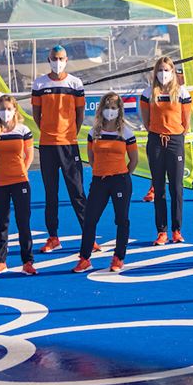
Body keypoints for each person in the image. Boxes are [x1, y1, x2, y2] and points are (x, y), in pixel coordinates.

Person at [31, 45, 95, 253]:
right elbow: (36, 113)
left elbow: (79, 113)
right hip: (47, 146)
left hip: (69, 145)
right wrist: (48, 132)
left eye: (60, 58)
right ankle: (53, 237)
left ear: (66, 59)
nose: (57, 62)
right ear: (48, 60)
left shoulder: (75, 83)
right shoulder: (40, 83)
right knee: (51, 194)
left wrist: (69, 133)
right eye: (53, 58)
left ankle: (89, 237)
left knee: (77, 192)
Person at [72, 92, 138, 273]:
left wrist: (121, 175)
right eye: (107, 107)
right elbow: (91, 157)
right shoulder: (94, 132)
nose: (110, 111)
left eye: (114, 108)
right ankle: (84, 258)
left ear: (119, 110)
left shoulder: (126, 132)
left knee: (121, 219)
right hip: (99, 181)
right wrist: (102, 171)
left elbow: (133, 160)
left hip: (120, 181)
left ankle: (118, 257)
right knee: (90, 219)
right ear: (101, 109)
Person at [140, 56, 193, 246]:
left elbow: (186, 121)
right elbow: (146, 120)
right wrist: (157, 132)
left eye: (167, 70)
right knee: (159, 187)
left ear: (173, 72)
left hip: (175, 142)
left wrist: (176, 135)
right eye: (160, 70)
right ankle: (161, 231)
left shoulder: (182, 93)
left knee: (176, 188)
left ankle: (176, 230)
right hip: (155, 141)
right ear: (155, 73)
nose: (163, 74)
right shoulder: (148, 93)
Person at [0, 95, 38, 276]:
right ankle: (0, 261)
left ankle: (27, 261)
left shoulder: (23, 130)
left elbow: (29, 154)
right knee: (2, 223)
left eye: (8, 108)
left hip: (20, 181)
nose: (5, 112)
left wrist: (21, 170)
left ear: (15, 110)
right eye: (2, 109)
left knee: (24, 222)